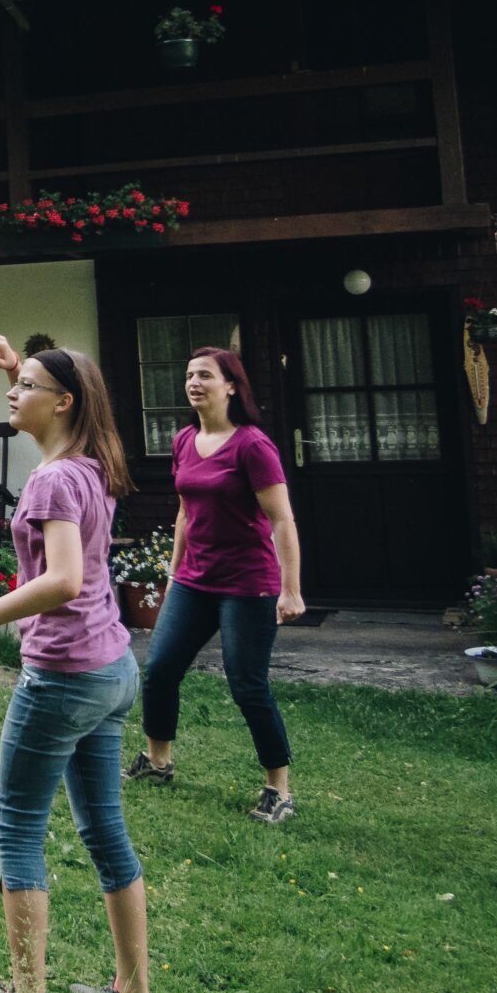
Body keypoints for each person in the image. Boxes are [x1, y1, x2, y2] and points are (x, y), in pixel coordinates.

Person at [0, 321, 160, 993]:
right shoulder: (92, 464)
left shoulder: (54, 478)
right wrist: (29, 367)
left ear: (61, 404)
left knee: (17, 827)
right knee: (104, 829)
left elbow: (61, 580)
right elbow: (73, 385)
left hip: (64, 678)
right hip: (113, 670)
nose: (11, 392)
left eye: (25, 388)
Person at [128, 346, 305, 824]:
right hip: (193, 580)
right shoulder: (184, 440)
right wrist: (172, 570)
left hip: (247, 583)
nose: (194, 382)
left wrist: (291, 589)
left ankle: (278, 789)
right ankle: (158, 761)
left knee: (247, 684)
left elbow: (282, 520)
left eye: (205, 375)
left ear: (231, 385)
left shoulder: (252, 445)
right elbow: (186, 509)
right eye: (189, 375)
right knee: (161, 668)